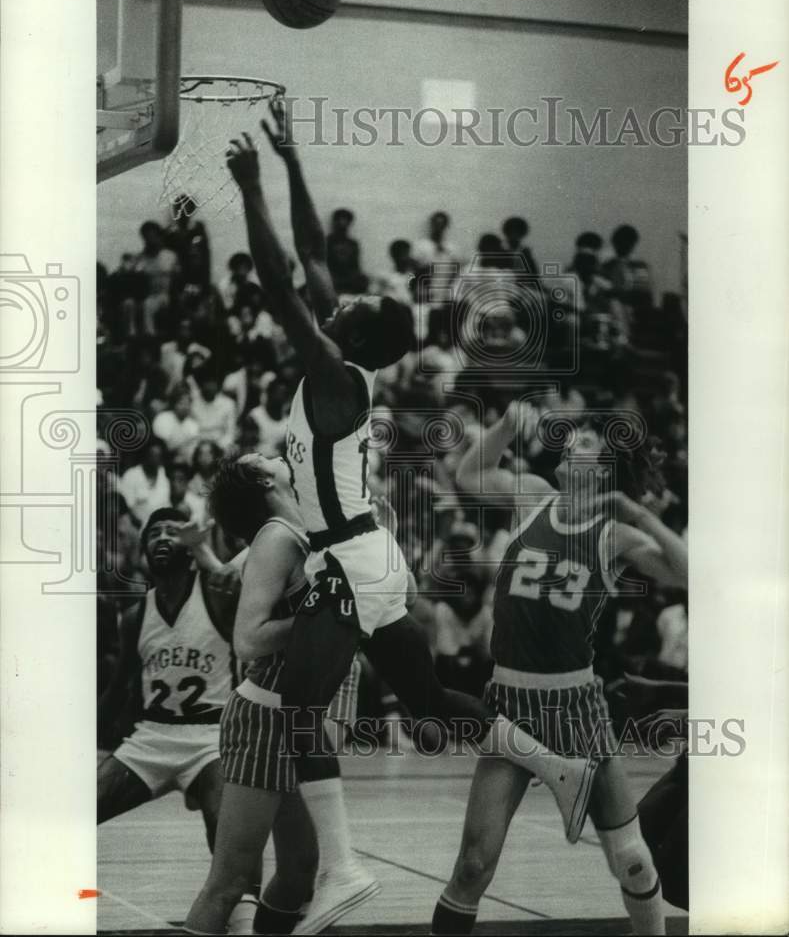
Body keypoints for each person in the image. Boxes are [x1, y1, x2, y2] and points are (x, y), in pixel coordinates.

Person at [210, 102, 602, 930]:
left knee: (300, 711)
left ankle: (343, 866)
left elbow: (281, 281)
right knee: (425, 702)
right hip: (370, 554)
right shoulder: (346, 363)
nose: (337, 299)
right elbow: (312, 256)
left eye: (345, 303)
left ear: (353, 329)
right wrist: (289, 161)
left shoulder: (334, 375)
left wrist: (247, 188)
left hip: (347, 559)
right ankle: (558, 768)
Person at [432, 403, 688, 935]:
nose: (572, 445)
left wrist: (640, 515)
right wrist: (503, 427)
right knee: (473, 864)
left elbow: (691, 576)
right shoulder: (534, 497)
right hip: (512, 704)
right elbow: (470, 474)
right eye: (575, 439)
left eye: (588, 443)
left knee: (632, 858)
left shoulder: (614, 533)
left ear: (607, 466)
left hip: (576, 706)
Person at [185, 454, 378, 937]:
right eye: (264, 456)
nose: (276, 453)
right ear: (266, 480)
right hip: (268, 718)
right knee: (228, 883)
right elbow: (247, 640)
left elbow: (231, 576)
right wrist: (325, 618)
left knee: (298, 873)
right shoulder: (276, 537)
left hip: (304, 718)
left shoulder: (306, 531)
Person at [97, 509, 260, 932]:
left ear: (188, 547)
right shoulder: (135, 614)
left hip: (213, 735)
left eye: (173, 531)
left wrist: (207, 548)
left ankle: (244, 919)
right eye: (155, 533)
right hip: (152, 737)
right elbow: (119, 691)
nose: (163, 537)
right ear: (143, 549)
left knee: (227, 825)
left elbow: (248, 590)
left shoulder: (217, 596)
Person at [119, 439, 171, 527]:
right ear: (145, 455)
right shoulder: (131, 475)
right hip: (135, 526)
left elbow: (167, 504)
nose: (155, 459)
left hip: (160, 526)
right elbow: (127, 508)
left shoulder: (164, 475)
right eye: (152, 455)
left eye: (158, 456)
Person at [153, 383, 201, 463]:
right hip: (165, 458)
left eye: (188, 404)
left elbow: (193, 448)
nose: (185, 407)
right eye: (181, 403)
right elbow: (166, 446)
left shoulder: (193, 424)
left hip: (184, 460)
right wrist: (185, 444)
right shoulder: (162, 418)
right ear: (174, 404)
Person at [326, 208, 367, 294]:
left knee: (363, 280)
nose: (343, 223)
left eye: (345, 220)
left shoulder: (353, 244)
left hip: (349, 277)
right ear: (335, 222)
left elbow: (356, 265)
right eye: (340, 219)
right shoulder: (327, 242)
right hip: (332, 276)